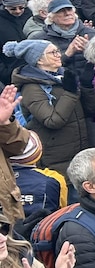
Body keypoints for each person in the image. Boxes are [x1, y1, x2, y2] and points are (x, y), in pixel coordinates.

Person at [6, 40, 89, 176]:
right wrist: (71, 93)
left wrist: (88, 86)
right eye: (52, 52)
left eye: (57, 51)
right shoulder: (31, 87)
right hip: (54, 157)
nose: (58, 55)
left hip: (76, 151)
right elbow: (53, 120)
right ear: (38, 60)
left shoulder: (62, 77)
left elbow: (89, 110)